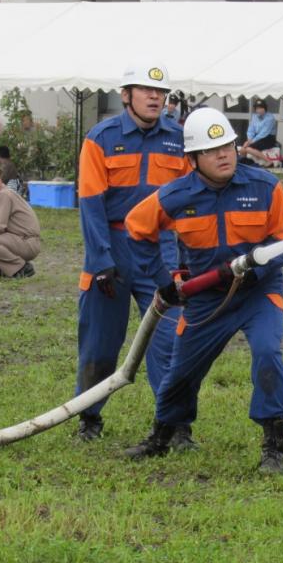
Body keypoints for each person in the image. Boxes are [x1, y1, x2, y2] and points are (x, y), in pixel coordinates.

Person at [125, 108, 283, 473]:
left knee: (268, 352)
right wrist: (162, 280)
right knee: (181, 370)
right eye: (212, 149)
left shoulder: (264, 187)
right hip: (206, 299)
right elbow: (137, 228)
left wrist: (254, 269)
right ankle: (163, 435)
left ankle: (274, 446)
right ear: (192, 159)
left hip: (258, 294)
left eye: (228, 146)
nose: (224, 155)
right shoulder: (175, 196)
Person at [74, 61, 192, 444]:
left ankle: (174, 427)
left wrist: (188, 257)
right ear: (126, 96)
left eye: (161, 92)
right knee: (100, 344)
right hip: (113, 249)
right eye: (146, 90)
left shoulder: (180, 140)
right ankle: (88, 419)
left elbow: (193, 201)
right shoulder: (100, 137)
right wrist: (100, 261)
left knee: (170, 341)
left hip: (161, 251)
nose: (155, 97)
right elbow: (90, 203)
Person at [239, 99, 277, 166]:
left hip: (268, 138)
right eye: (257, 108)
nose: (258, 110)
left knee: (248, 148)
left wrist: (251, 141)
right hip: (256, 137)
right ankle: (243, 164)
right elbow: (251, 130)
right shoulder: (254, 117)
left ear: (265, 108)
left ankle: (269, 161)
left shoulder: (270, 118)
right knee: (242, 149)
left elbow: (264, 133)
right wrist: (249, 139)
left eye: (261, 108)